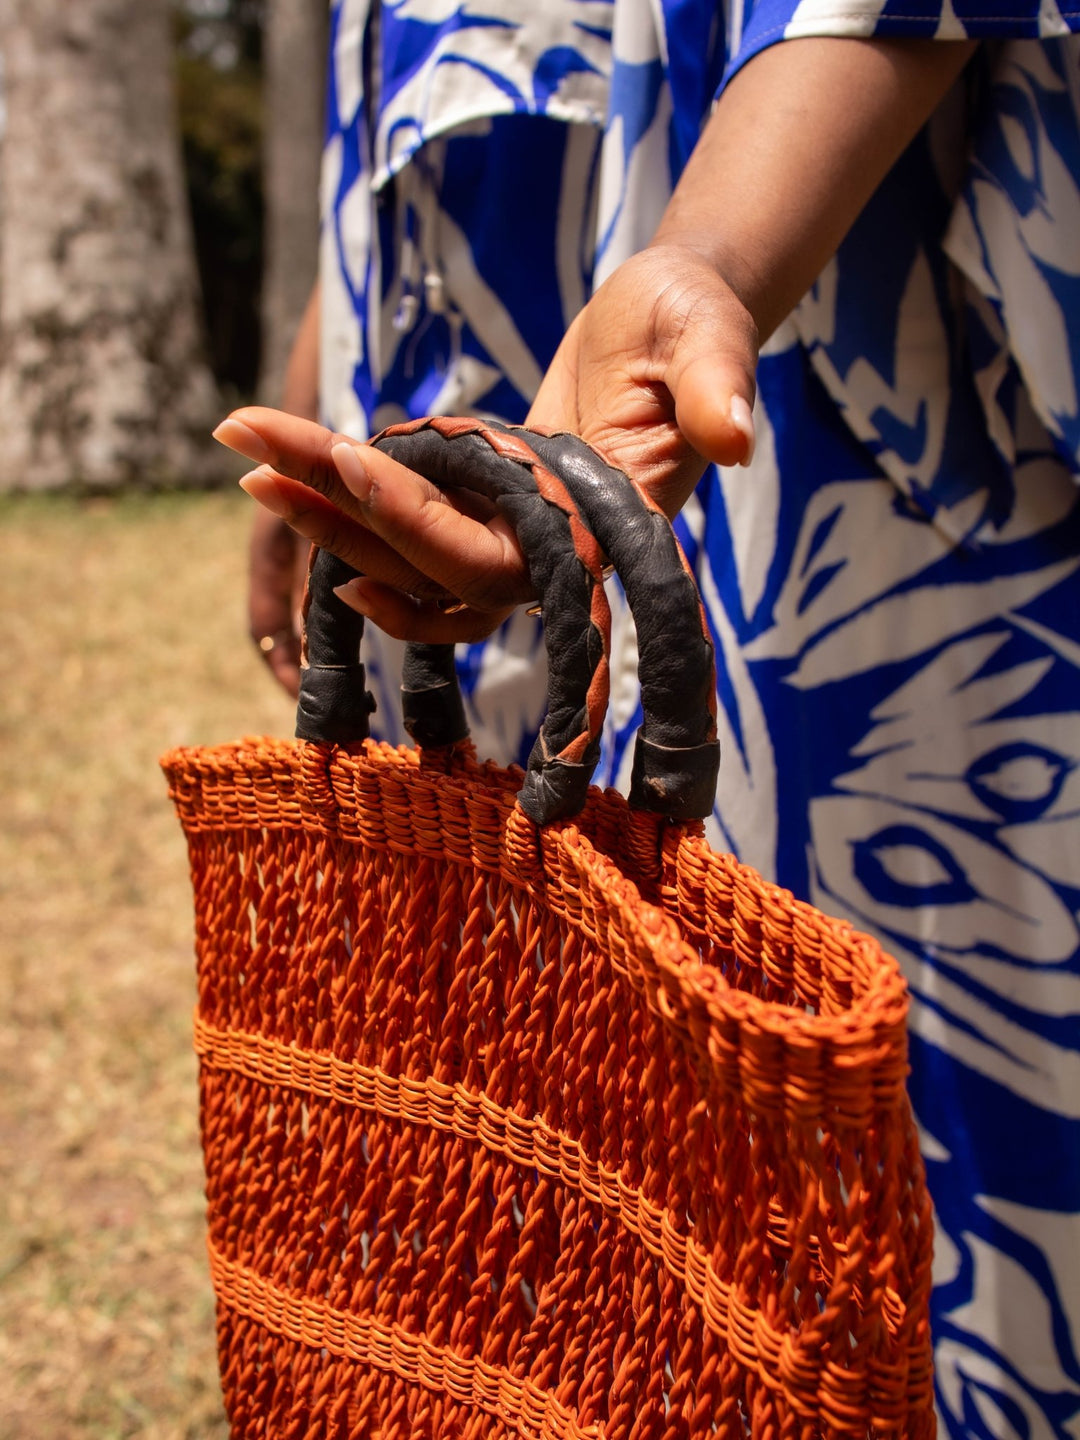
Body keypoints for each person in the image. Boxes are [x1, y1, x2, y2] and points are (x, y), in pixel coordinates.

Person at [214, 3, 1080, 1432]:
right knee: (537, 1168)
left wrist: (709, 251)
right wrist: (335, 369)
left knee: (913, 1159)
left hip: (836, 383)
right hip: (545, 355)